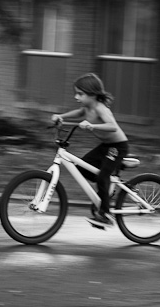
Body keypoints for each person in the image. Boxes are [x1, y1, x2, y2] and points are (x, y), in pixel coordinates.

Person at [51, 73, 129, 229]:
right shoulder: (87, 107)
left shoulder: (101, 108)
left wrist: (93, 126)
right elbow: (79, 113)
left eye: (80, 93)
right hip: (105, 146)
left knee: (101, 177)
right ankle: (107, 187)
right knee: (82, 169)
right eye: (76, 93)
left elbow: (112, 126)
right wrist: (61, 116)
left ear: (92, 94)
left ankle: (106, 215)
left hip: (117, 146)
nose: (76, 97)